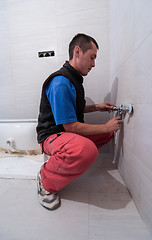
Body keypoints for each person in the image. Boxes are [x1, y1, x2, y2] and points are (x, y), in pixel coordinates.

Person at [36, 33, 122, 211]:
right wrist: (104, 125)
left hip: (65, 134)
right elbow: (71, 126)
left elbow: (75, 109)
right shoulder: (60, 82)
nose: (93, 64)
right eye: (92, 57)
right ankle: (45, 180)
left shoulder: (73, 79)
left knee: (107, 132)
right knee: (86, 148)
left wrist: (97, 107)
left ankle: (66, 158)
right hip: (51, 136)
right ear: (77, 51)